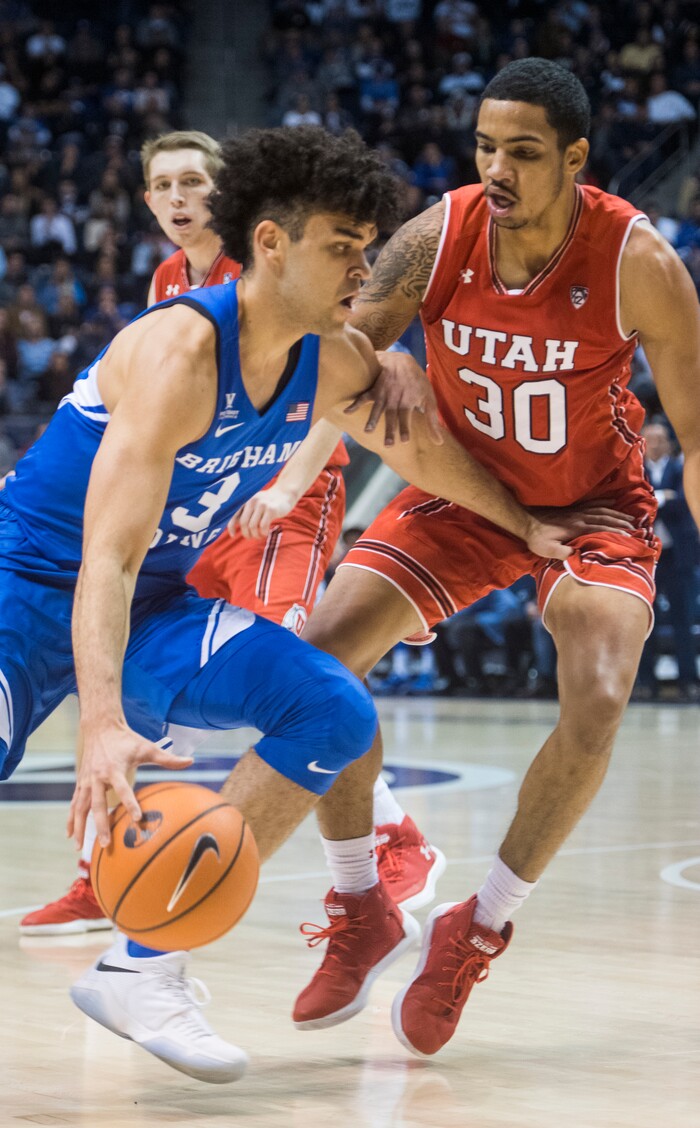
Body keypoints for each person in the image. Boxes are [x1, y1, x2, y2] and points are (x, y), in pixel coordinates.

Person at [0, 125, 583, 1083]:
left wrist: (527, 528)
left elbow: (426, 458)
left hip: (152, 601)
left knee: (333, 707)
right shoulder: (180, 352)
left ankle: (144, 969)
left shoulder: (334, 362)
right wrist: (100, 726)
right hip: (31, 583)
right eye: (342, 245)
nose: (365, 262)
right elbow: (99, 557)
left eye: (368, 243)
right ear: (271, 242)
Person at [290, 60, 700, 1056]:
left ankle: (476, 926)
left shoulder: (636, 259)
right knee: (316, 662)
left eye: (521, 152)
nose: (496, 168)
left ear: (574, 159)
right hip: (462, 493)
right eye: (484, 146)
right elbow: (337, 358)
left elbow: (694, 428)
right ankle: (364, 899)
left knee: (599, 696)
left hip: (594, 506)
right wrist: (360, 362)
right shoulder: (437, 235)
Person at [19, 129, 441, 939]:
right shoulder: (172, 282)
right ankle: (106, 865)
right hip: (203, 501)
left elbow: (339, 387)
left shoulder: (290, 269)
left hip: (287, 486)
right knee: (142, 673)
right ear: (147, 200)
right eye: (164, 186)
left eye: (194, 184)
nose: (181, 200)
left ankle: (389, 834)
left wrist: (286, 483)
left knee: (291, 660)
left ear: (237, 204)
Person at [636, 419, 699, 700]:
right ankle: (646, 682)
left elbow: (684, 501)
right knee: (644, 621)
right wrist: (662, 499)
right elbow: (636, 506)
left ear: (669, 442)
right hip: (647, 558)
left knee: (682, 620)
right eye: (650, 438)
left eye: (660, 438)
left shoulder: (681, 468)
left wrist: (654, 501)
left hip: (677, 556)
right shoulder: (635, 470)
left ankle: (688, 681)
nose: (656, 444)